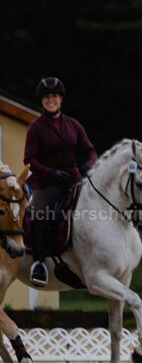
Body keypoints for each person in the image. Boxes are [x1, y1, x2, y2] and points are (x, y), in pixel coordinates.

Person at [23, 77, 98, 286]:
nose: (51, 100)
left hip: (74, 180)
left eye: (54, 96)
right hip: (46, 182)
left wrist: (90, 165)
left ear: (61, 99)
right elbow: (29, 159)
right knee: (39, 213)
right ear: (42, 101)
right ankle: (38, 263)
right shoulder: (35, 128)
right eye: (47, 97)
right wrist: (51, 173)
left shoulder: (74, 125)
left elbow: (90, 150)